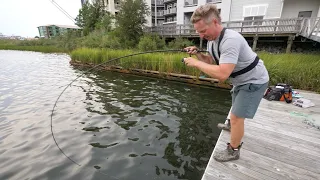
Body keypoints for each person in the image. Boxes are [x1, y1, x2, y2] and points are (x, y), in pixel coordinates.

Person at [183, 4, 269, 162]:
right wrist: (198, 55)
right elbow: (212, 62)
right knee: (235, 109)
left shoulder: (230, 40)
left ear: (215, 22)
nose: (201, 36)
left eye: (203, 31)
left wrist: (195, 64)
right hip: (240, 81)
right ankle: (232, 126)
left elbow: (222, 74)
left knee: (237, 117)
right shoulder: (212, 40)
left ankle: (233, 151)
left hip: (254, 81)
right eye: (198, 32)